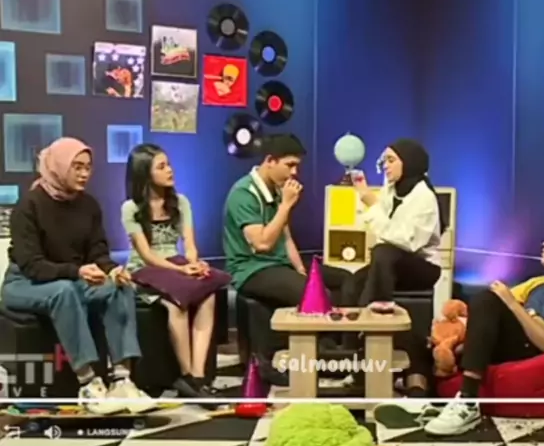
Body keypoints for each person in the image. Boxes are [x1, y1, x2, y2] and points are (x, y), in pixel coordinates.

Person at [1, 137, 153, 414]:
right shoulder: (29, 206)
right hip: (24, 282)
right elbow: (33, 265)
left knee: (119, 288)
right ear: (58, 166)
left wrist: (112, 270)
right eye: (77, 167)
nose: (84, 174)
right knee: (64, 291)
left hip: (69, 279)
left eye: (88, 167)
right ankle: (89, 384)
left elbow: (98, 250)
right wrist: (77, 271)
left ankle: (122, 380)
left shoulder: (89, 205)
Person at [424, 219, 544, 436]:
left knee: (486, 299)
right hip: (510, 340)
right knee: (419, 332)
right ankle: (419, 395)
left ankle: (468, 402)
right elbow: (493, 309)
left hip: (532, 349)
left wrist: (513, 304)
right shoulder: (538, 282)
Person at [222, 134, 355, 380]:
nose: (294, 173)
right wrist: (285, 206)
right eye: (289, 165)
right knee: (316, 295)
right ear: (270, 161)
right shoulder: (244, 193)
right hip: (251, 268)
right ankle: (318, 359)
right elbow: (262, 243)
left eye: (297, 166)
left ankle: (339, 350)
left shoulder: (275, 189)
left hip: (279, 264)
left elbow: (286, 238)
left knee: (345, 279)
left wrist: (301, 270)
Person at [121, 144, 222, 398]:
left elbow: (189, 244)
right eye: (162, 166)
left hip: (176, 264)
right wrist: (182, 270)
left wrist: (194, 263)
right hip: (145, 268)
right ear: (145, 173)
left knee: (208, 294)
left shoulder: (181, 202)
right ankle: (186, 375)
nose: (170, 170)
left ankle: (198, 376)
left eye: (169, 164)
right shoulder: (131, 208)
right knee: (177, 303)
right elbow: (147, 255)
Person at [350, 139, 445, 396]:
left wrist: (372, 205)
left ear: (409, 162)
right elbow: (379, 226)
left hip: (422, 266)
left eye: (391, 160)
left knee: (382, 253)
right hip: (393, 262)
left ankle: (373, 326)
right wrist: (367, 199)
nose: (386, 166)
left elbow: (407, 240)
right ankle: (354, 356)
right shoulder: (392, 189)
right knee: (353, 281)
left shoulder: (424, 197)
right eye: (384, 161)